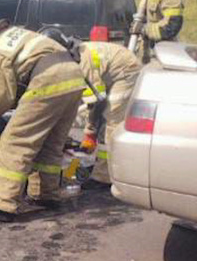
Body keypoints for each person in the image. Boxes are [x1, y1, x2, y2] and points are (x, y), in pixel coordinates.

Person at [0, 9, 85, 223]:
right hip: (74, 77)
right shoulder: (13, 34)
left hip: (48, 80)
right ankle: (46, 194)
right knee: (51, 143)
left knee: (15, 142)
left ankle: (1, 204)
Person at [39, 29, 140, 191]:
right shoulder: (74, 55)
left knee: (112, 122)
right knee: (104, 121)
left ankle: (104, 177)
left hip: (126, 72)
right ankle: (106, 168)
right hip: (112, 69)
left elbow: (96, 103)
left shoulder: (83, 64)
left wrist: (90, 133)